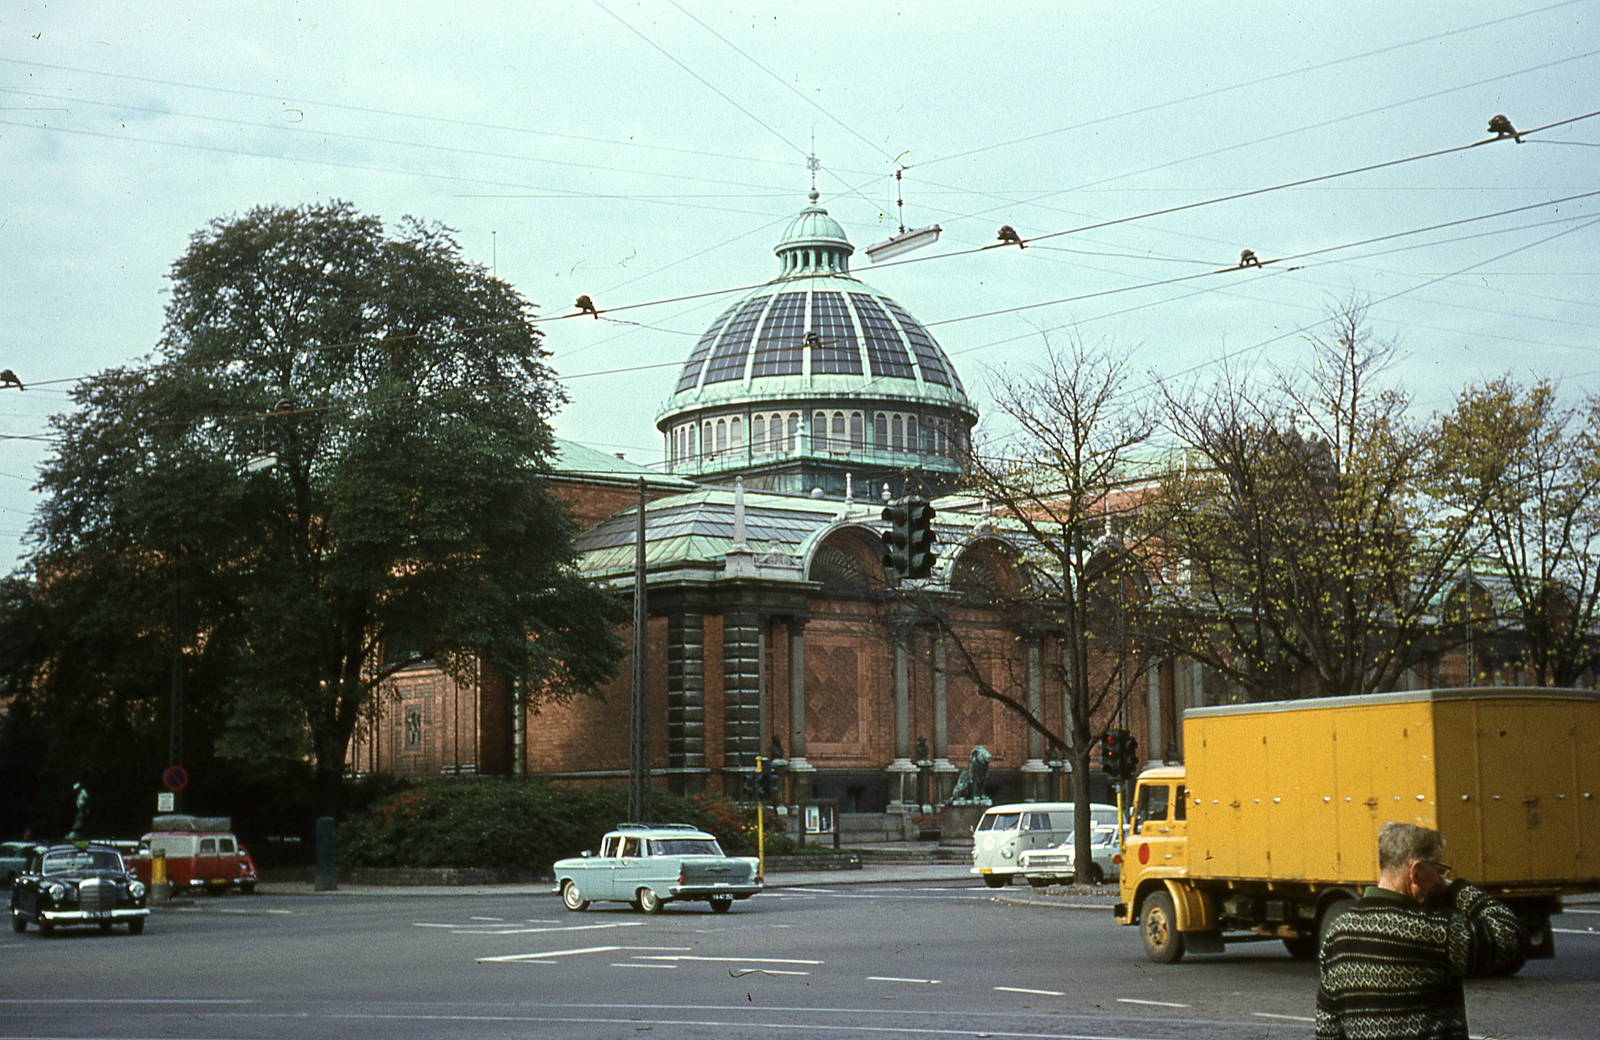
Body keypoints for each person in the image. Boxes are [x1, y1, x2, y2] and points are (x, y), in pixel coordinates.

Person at [1316, 821, 1527, 1040]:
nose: (1440, 881)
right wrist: (1456, 888)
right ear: (1416, 872)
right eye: (1439, 871)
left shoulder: (1337, 934)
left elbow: (1327, 1030)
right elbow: (1510, 936)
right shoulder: (1428, 931)